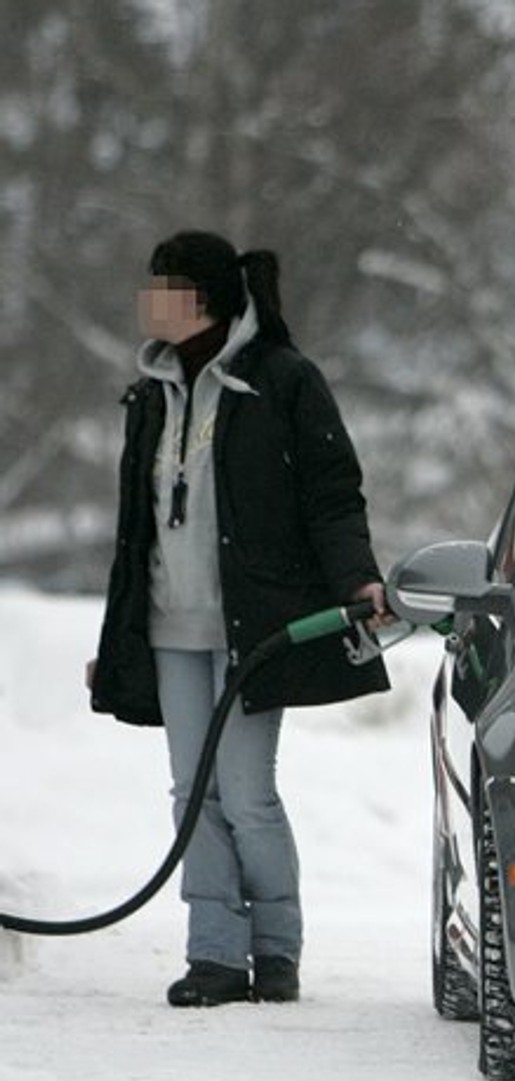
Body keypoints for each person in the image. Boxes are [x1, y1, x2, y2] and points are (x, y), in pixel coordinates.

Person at [89, 231, 392, 1008]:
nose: (149, 302)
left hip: (254, 629)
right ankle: (215, 954)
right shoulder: (148, 396)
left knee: (247, 791)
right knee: (191, 791)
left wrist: (358, 580)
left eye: (165, 287)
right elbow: (133, 534)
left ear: (206, 300)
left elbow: (333, 496)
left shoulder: (284, 382)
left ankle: (276, 946)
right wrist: (116, 640)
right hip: (169, 628)